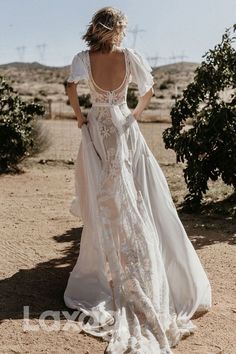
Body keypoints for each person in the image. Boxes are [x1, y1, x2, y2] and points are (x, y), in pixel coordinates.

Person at [63, 6, 212, 354]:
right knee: (135, 195)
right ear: (115, 30)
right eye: (122, 28)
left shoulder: (83, 57)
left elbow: (70, 86)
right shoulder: (130, 57)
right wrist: (133, 115)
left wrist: (80, 118)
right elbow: (149, 89)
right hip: (123, 126)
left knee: (107, 197)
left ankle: (108, 270)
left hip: (97, 125)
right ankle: (139, 265)